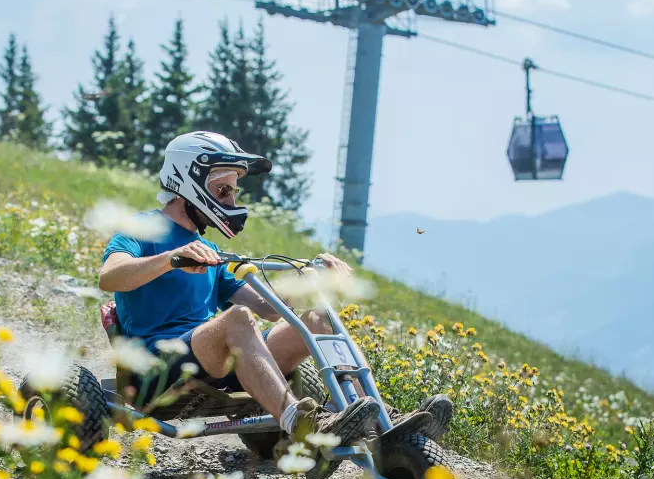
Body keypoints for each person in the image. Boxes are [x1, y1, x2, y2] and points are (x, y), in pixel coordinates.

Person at [98, 131, 450, 456]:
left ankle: (379, 417)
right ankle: (300, 422)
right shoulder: (141, 229)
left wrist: (314, 280)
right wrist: (171, 260)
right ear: (188, 179)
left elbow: (268, 309)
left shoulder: (206, 248)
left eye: (233, 191)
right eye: (224, 190)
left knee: (316, 318)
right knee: (236, 319)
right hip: (158, 369)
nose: (232, 199)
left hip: (213, 362)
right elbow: (110, 277)